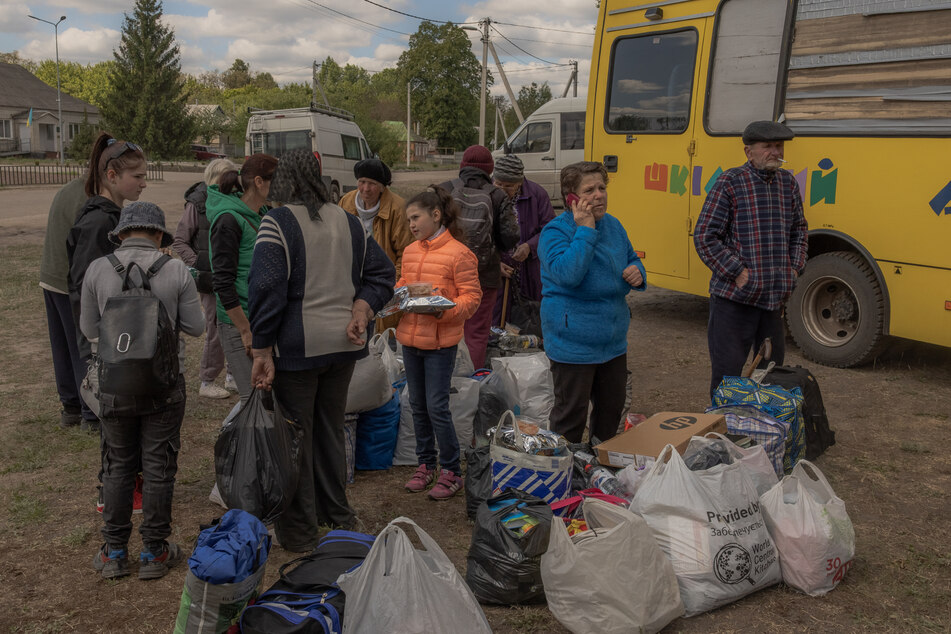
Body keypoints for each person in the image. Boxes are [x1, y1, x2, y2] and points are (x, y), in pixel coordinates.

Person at [248, 150, 395, 551]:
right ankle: (336, 512)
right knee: (329, 428)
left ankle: (299, 531)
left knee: (295, 436)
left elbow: (266, 288)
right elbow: (384, 274)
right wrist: (362, 308)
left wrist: (261, 349)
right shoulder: (348, 222)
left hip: (297, 348)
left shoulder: (277, 223)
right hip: (343, 347)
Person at [80, 201, 204, 580]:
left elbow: (89, 329)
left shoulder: (98, 269)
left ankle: (114, 550)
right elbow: (197, 327)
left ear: (121, 233)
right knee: (158, 466)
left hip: (114, 385)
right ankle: (154, 551)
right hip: (164, 385)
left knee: (117, 464)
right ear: (158, 234)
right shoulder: (176, 269)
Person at [693, 120, 808, 396]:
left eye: (778, 146)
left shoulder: (787, 184)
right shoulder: (730, 182)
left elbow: (799, 230)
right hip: (735, 301)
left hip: (772, 301)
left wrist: (793, 269)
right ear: (749, 152)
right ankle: (723, 432)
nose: (774, 152)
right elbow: (705, 236)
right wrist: (739, 272)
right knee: (728, 375)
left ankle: (759, 431)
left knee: (770, 373)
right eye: (767, 146)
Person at [538, 161, 646, 444]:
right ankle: (563, 477)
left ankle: (598, 472)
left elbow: (631, 258)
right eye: (590, 190)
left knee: (611, 413)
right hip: (572, 344)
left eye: (602, 187)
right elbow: (568, 274)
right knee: (570, 417)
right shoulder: (554, 232)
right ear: (571, 197)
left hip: (612, 342)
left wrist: (638, 272)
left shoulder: (614, 225)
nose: (599, 195)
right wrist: (585, 230)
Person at [397, 186, 482, 500]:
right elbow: (404, 284)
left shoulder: (460, 253)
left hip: (440, 343)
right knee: (417, 405)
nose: (412, 225)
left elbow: (471, 299)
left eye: (416, 217)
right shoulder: (410, 251)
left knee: (436, 407)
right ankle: (425, 464)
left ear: (436, 215)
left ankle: (451, 470)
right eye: (408, 220)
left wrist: (443, 311)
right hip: (410, 338)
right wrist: (398, 297)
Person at [67, 133, 148, 431]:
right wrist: (98, 338)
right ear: (112, 176)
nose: (144, 183)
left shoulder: (114, 217)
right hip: (106, 340)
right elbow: (84, 286)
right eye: (137, 176)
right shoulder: (98, 222)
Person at [206, 154, 278, 401]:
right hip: (240, 324)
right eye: (276, 181)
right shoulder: (228, 220)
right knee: (255, 401)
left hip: (262, 319)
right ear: (259, 182)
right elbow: (222, 282)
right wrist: (245, 330)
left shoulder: (264, 213)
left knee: (266, 402)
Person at [440, 145, 519, 369]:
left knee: (444, 329)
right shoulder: (497, 195)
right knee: (476, 333)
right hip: (484, 276)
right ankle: (471, 385)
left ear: (462, 166)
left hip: (445, 273)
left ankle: (445, 384)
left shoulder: (443, 190)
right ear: (490, 169)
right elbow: (510, 238)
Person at [172, 158, 238, 399]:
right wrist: (201, 265)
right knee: (215, 327)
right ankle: (207, 379)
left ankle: (233, 375)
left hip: (233, 276)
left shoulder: (234, 199)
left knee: (235, 325)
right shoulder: (197, 203)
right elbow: (180, 240)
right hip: (211, 280)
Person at [40, 176, 90, 428]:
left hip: (52, 276)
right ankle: (87, 409)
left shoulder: (69, 189)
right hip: (67, 282)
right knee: (80, 347)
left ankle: (71, 407)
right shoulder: (89, 197)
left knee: (62, 346)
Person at [491, 154, 555, 330]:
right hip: (498, 269)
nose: (502, 190)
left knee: (531, 317)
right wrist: (495, 262)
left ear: (520, 182)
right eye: (499, 184)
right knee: (497, 320)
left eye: (509, 186)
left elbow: (550, 229)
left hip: (529, 269)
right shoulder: (486, 195)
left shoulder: (537, 194)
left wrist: (530, 246)